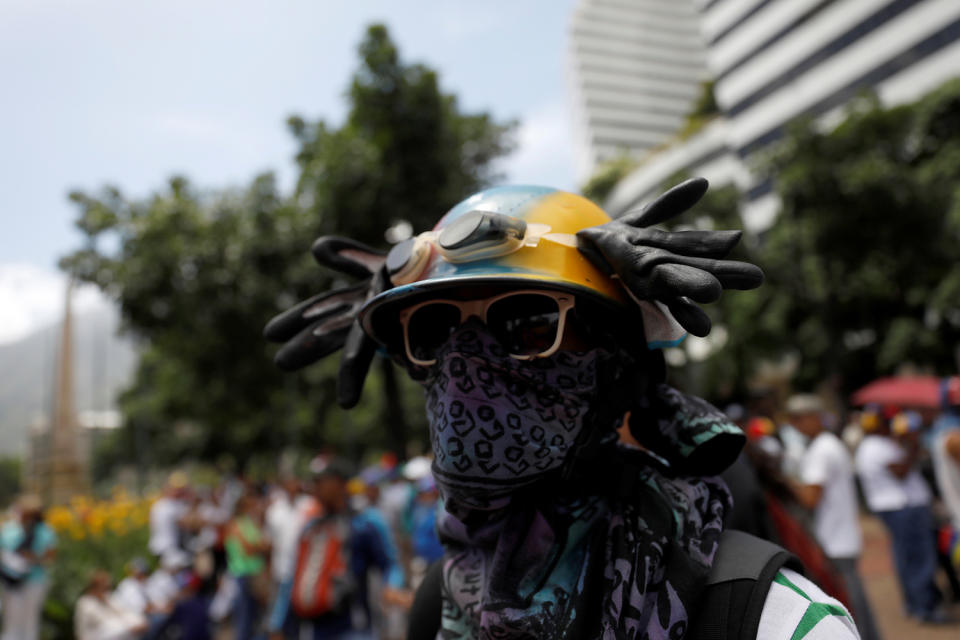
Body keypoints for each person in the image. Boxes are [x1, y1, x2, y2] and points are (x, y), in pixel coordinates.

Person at [266, 180, 860, 639]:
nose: (466, 367)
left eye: (527, 320)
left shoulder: (766, 615)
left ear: (617, 363)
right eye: (435, 329)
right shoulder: (442, 604)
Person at [785, 394, 881, 640]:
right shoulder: (827, 444)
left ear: (813, 417)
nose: (796, 425)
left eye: (799, 419)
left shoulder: (821, 449)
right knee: (856, 600)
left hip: (835, 538)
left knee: (850, 604)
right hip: (841, 535)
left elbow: (810, 498)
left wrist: (785, 483)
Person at [855, 406, 946, 623]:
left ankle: (915, 604)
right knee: (918, 559)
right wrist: (913, 443)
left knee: (907, 558)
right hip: (903, 508)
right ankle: (924, 608)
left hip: (899, 508)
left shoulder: (874, 445)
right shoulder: (876, 446)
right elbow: (901, 473)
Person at [0, 494, 58, 640]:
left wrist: (34, 559)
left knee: (30, 619)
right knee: (12, 618)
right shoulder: (9, 529)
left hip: (34, 580)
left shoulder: (45, 531)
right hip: (11, 580)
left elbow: (50, 558)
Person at [225, 491, 271, 640]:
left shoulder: (250, 523)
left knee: (255, 616)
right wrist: (261, 547)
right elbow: (249, 549)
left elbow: (262, 545)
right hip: (244, 574)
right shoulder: (236, 524)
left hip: (254, 573)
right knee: (245, 617)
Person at [75, 569, 147, 640]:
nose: (106, 590)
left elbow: (122, 611)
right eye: (104, 587)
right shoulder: (85, 603)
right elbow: (104, 623)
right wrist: (130, 628)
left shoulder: (107, 597)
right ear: (95, 587)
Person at [149, 471, 190, 558]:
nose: (180, 491)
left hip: (162, 547)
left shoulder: (160, 504)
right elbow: (189, 523)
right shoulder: (168, 506)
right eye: (177, 489)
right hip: (168, 549)